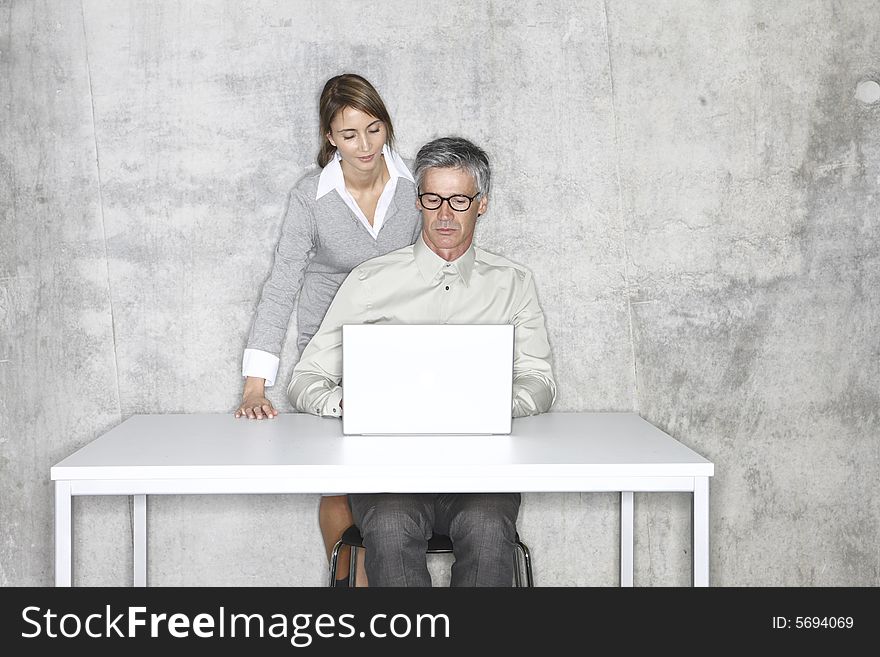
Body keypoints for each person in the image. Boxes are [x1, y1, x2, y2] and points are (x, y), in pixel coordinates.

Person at [288, 136, 556, 586]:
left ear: (482, 204)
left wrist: (491, 404)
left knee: (489, 527)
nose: (445, 214)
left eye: (459, 199)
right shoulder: (371, 281)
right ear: (418, 202)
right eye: (433, 199)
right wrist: (354, 405)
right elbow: (306, 379)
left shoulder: (514, 283)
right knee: (390, 526)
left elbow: (539, 380)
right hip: (389, 475)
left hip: (481, 476)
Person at [234, 74, 422, 587]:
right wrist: (257, 384)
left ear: (387, 127)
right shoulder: (311, 196)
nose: (365, 146)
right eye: (349, 134)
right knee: (340, 483)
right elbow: (281, 285)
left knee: (397, 490)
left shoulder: (414, 187)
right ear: (329, 138)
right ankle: (354, 593)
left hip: (401, 355)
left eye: (374, 129)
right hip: (329, 358)